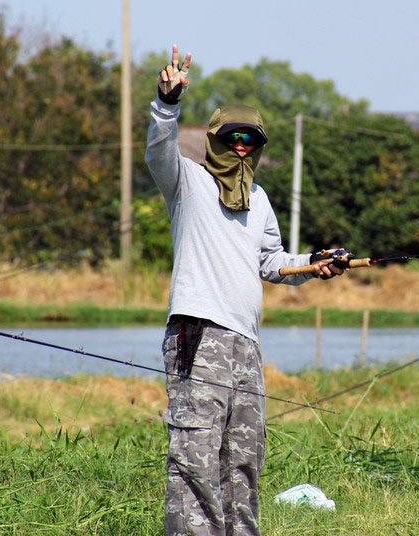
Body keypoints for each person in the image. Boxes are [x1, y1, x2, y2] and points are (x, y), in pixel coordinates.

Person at [145, 45, 346, 536]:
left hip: (247, 344)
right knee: (195, 456)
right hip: (199, 334)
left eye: (250, 140)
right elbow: (157, 150)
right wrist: (166, 104)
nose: (240, 147)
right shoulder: (187, 181)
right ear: (215, 138)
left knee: (244, 456)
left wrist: (312, 264)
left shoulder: (258, 199)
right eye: (232, 137)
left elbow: (270, 262)